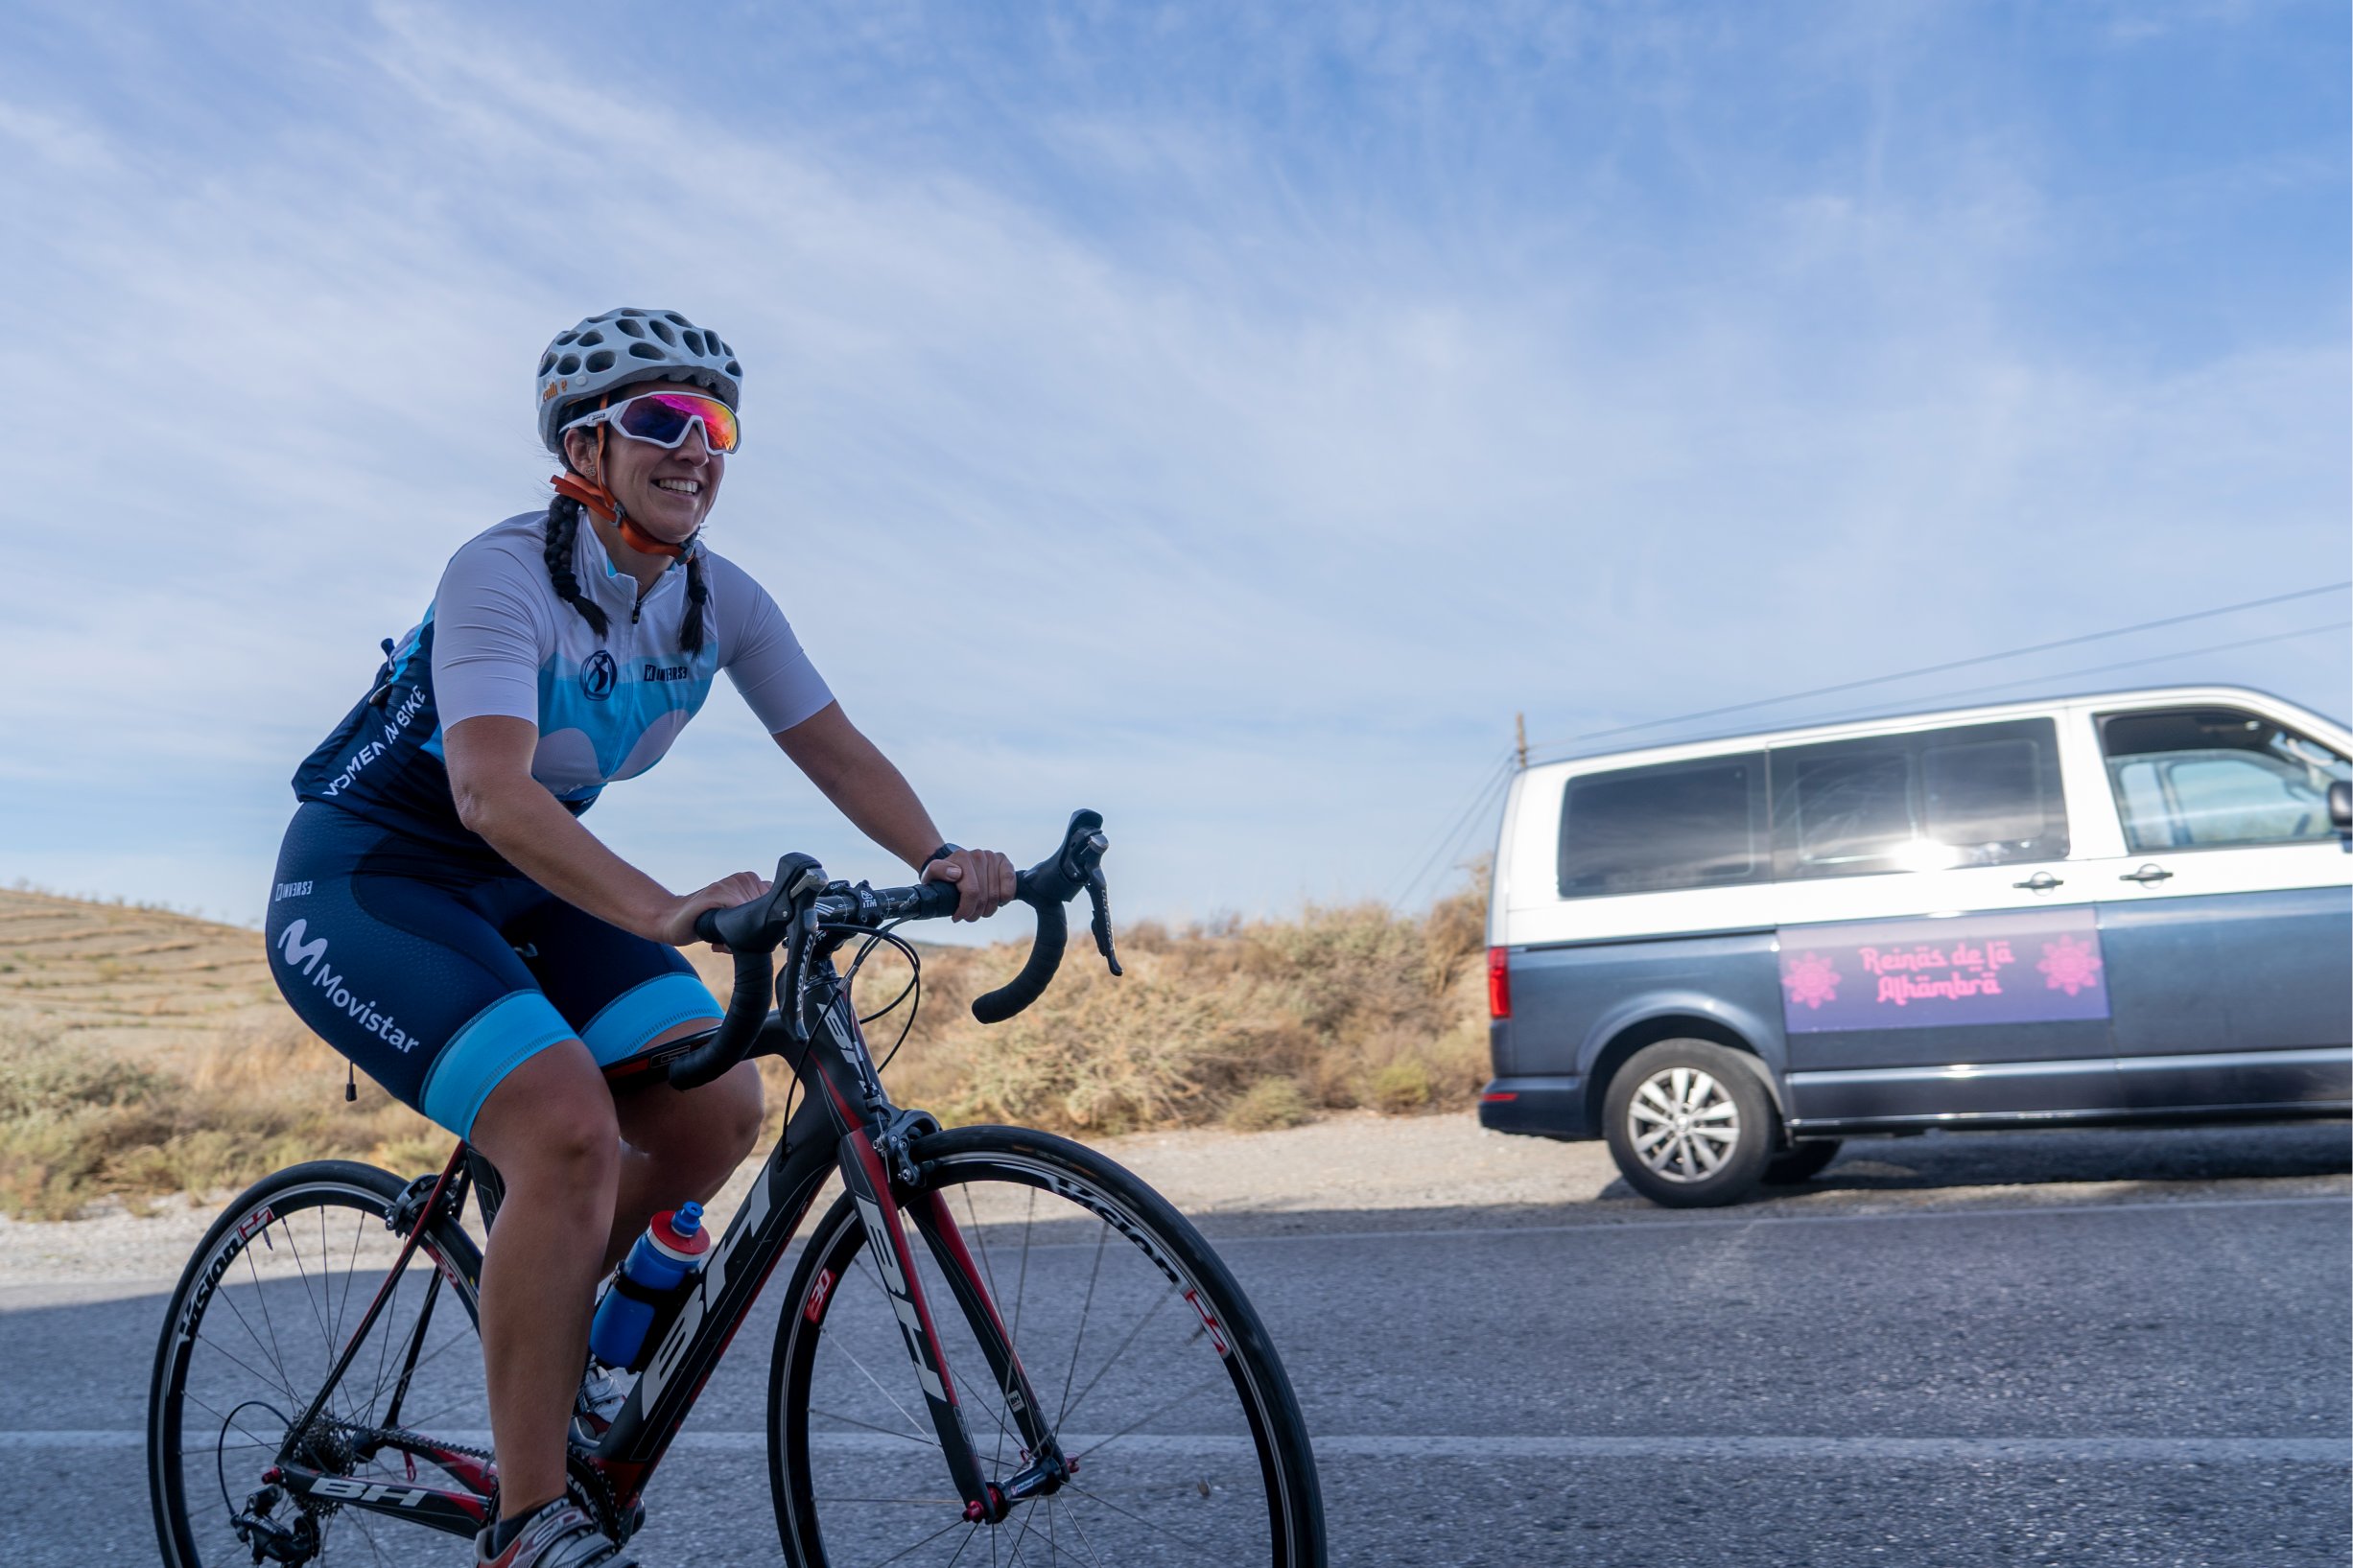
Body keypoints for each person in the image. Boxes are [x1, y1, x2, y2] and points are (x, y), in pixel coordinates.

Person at [265, 308, 1014, 1568]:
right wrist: (665, 908)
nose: (697, 449)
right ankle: (526, 1517)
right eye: (663, 421)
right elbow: (491, 795)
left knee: (716, 1108)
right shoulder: (500, 573)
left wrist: (934, 858)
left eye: (716, 425)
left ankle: (573, 1327)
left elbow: (829, 745)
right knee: (563, 1127)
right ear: (585, 444)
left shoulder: (723, 600)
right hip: (376, 878)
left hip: (528, 878)